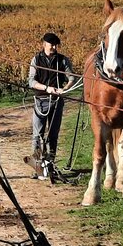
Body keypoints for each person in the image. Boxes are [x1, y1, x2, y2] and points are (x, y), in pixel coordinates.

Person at [28, 32, 76, 178]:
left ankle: (50, 166)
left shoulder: (62, 60)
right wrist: (47, 88)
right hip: (40, 101)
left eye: (56, 45)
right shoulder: (36, 59)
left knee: (53, 135)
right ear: (44, 44)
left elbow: (72, 78)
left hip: (56, 101)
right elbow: (31, 81)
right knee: (38, 135)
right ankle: (37, 167)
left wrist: (65, 89)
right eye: (51, 44)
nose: (54, 47)